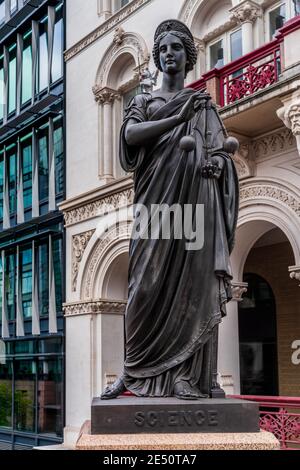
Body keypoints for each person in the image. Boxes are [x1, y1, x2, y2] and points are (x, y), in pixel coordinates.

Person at [101, 19, 239, 400]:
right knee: (141, 287)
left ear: (187, 55)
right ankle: (132, 372)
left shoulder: (202, 104)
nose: (168, 54)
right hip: (154, 205)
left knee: (191, 289)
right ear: (158, 59)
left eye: (176, 48)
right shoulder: (144, 101)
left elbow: (218, 155)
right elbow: (130, 136)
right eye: (162, 50)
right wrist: (177, 119)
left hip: (195, 206)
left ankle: (185, 376)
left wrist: (217, 166)